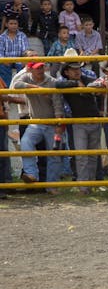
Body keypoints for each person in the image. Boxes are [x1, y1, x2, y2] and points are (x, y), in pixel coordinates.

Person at [12, 60, 65, 192]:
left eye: (42, 67)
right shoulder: (26, 78)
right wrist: (36, 88)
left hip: (51, 123)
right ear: (30, 70)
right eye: (37, 68)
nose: (40, 70)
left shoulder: (51, 81)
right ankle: (32, 174)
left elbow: (58, 104)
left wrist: (59, 124)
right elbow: (16, 85)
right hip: (36, 122)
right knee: (25, 143)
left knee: (54, 154)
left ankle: (52, 186)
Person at [55, 55, 100, 193]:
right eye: (73, 69)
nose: (76, 71)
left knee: (92, 156)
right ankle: (84, 187)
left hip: (94, 121)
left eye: (78, 68)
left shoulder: (87, 80)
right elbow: (57, 84)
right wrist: (75, 84)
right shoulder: (67, 83)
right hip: (79, 123)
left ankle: (90, 185)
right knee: (81, 156)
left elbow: (97, 82)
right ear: (66, 72)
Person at [0, 15, 28, 85]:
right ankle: (7, 89)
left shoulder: (22, 35)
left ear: (18, 25)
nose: (13, 26)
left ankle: (20, 86)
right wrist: (4, 60)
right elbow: (0, 52)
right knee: (2, 66)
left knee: (24, 66)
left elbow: (25, 50)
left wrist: (25, 59)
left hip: (19, 60)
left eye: (15, 24)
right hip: (6, 60)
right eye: (11, 24)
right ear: (6, 24)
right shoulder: (2, 37)